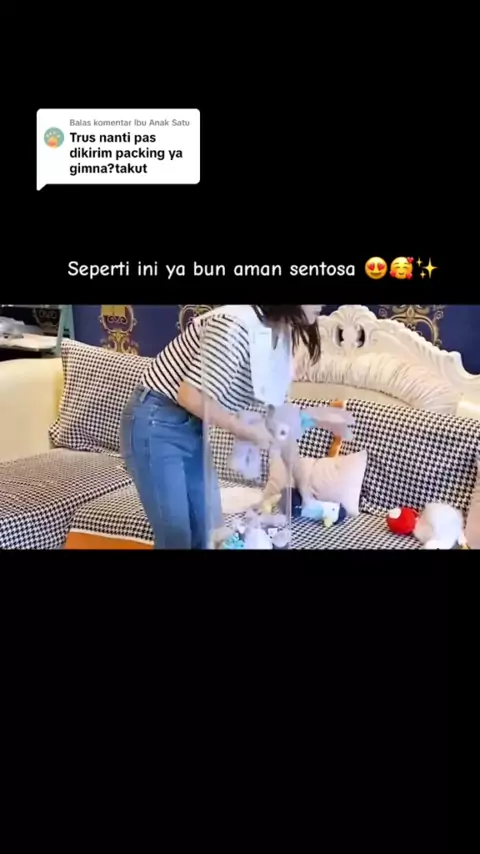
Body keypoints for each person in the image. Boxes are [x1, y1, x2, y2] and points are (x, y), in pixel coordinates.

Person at [120, 304, 324, 549]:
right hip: (155, 420)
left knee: (210, 534)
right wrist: (244, 430)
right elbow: (189, 395)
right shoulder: (234, 324)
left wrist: (305, 488)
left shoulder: (276, 337)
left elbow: (282, 424)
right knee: (177, 536)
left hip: (191, 428)